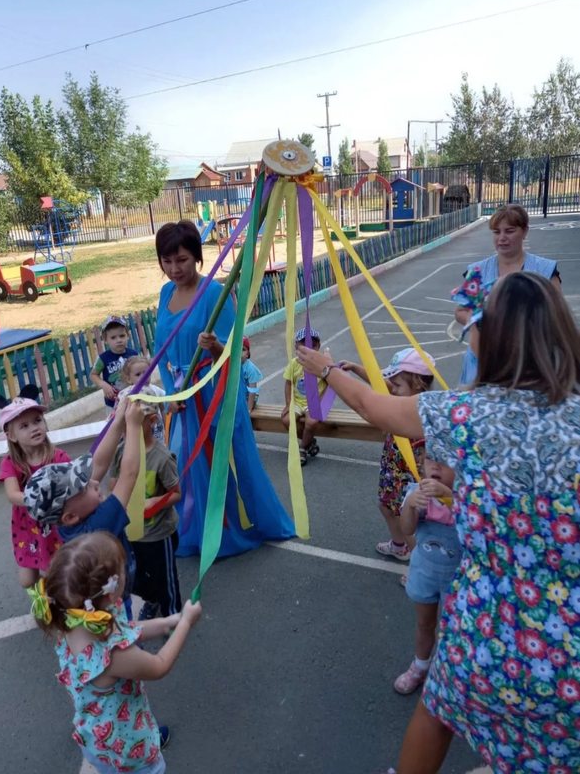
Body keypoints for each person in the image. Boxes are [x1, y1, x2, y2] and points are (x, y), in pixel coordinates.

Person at [297, 271, 580, 774]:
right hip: (566, 653)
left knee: (436, 715)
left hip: (483, 633)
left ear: (492, 338)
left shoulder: (463, 414)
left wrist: (326, 369)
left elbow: (374, 407)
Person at [154, 220, 295, 558]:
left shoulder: (214, 295)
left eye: (182, 260)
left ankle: (237, 527)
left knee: (231, 459)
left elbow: (234, 353)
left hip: (214, 391)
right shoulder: (165, 294)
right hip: (183, 395)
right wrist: (170, 395)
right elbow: (162, 349)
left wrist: (215, 345)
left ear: (197, 257)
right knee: (190, 468)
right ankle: (201, 530)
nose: (174, 269)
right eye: (167, 261)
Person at [28, 531, 202, 774]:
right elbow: (159, 665)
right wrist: (185, 624)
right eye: (123, 569)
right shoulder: (112, 655)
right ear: (111, 591)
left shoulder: (74, 618)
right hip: (129, 752)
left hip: (96, 740)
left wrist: (168, 622)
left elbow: (125, 630)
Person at [24, 400, 145, 620]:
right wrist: (134, 426)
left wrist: (118, 420)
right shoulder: (98, 527)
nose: (95, 483)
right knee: (123, 633)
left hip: (101, 593)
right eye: (85, 487)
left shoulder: (69, 520)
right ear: (70, 516)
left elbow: (98, 465)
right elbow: (129, 474)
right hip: (114, 596)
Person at [340, 348, 434, 563]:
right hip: (393, 467)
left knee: (406, 516)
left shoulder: (421, 410)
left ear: (417, 382)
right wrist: (355, 368)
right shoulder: (403, 396)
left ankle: (419, 566)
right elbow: (382, 384)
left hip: (408, 474)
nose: (393, 390)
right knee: (385, 506)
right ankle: (399, 546)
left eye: (398, 385)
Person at [454, 203, 561, 385]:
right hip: (482, 362)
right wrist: (482, 322)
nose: (502, 238)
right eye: (496, 232)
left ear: (525, 231)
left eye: (509, 231)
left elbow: (556, 314)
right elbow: (460, 311)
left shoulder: (545, 270)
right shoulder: (477, 271)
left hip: (531, 363)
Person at [109, 386, 182, 623]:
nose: (127, 429)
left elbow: (176, 494)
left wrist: (155, 501)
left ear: (152, 421)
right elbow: (113, 485)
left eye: (135, 422)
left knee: (166, 579)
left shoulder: (162, 457)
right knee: (133, 577)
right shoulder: (120, 452)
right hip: (130, 533)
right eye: (124, 423)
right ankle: (153, 599)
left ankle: (173, 618)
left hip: (158, 534)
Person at [393, 449, 462, 695]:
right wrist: (410, 506)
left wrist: (450, 498)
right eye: (431, 459)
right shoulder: (418, 494)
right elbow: (407, 529)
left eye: (445, 460)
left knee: (455, 630)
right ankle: (420, 666)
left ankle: (450, 673)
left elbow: (478, 527)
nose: (436, 466)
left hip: (459, 580)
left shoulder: (469, 499)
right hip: (424, 572)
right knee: (424, 623)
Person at [0, 386, 67, 589]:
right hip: (27, 527)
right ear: (11, 436)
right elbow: (12, 494)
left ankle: (58, 597)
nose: (34, 428)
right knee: (27, 581)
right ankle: (46, 594)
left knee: (58, 571)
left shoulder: (58, 456)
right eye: (24, 426)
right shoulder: (10, 462)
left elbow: (72, 485)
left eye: (37, 421)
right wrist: (38, 498)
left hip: (55, 523)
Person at [281, 328, 326, 465]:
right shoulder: (294, 364)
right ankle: (309, 442)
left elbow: (330, 385)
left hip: (313, 402)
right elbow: (288, 383)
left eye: (313, 345)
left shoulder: (322, 365)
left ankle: (302, 449)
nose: (309, 349)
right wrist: (288, 403)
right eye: (304, 345)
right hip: (297, 402)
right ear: (297, 347)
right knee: (286, 420)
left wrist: (321, 403)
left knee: (311, 422)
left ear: (318, 346)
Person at [91, 316, 138, 415]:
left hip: (133, 399)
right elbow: (93, 375)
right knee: (114, 423)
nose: (119, 340)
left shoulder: (134, 355)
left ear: (128, 336)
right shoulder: (103, 358)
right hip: (113, 403)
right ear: (105, 340)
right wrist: (104, 385)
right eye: (113, 337)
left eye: (122, 336)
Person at [118, 356, 167, 441]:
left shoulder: (155, 390)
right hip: (136, 436)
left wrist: (167, 427)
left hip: (157, 434)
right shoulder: (126, 395)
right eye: (138, 374)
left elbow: (163, 408)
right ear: (129, 379)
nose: (144, 377)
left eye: (147, 373)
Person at [241, 335, 262, 413]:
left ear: (248, 354)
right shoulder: (232, 366)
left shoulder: (251, 369)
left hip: (249, 397)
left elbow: (252, 390)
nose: (239, 352)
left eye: (243, 349)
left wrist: (249, 408)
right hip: (238, 395)